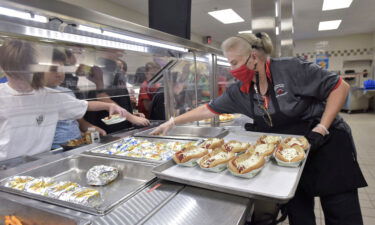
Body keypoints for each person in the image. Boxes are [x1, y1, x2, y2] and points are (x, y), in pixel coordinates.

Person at [151, 32, 367, 225]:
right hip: (289, 151)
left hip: (325, 140)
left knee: (340, 209)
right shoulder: (241, 91)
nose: (232, 70)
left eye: (235, 63)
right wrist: (172, 122)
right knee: (299, 210)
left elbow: (340, 87)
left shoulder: (291, 68)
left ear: (253, 57)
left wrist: (322, 127)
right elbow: (208, 109)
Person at [0, 40, 139, 160]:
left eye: (25, 72)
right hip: (6, 164)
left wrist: (109, 107)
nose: (21, 80)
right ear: (4, 70)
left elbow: (85, 105)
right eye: (14, 74)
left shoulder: (50, 96)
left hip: (41, 160)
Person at [45, 48, 107, 149]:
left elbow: (79, 121)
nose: (59, 74)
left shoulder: (68, 92)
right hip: (55, 148)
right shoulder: (38, 95)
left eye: (62, 69)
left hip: (77, 143)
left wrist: (92, 128)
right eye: (53, 70)